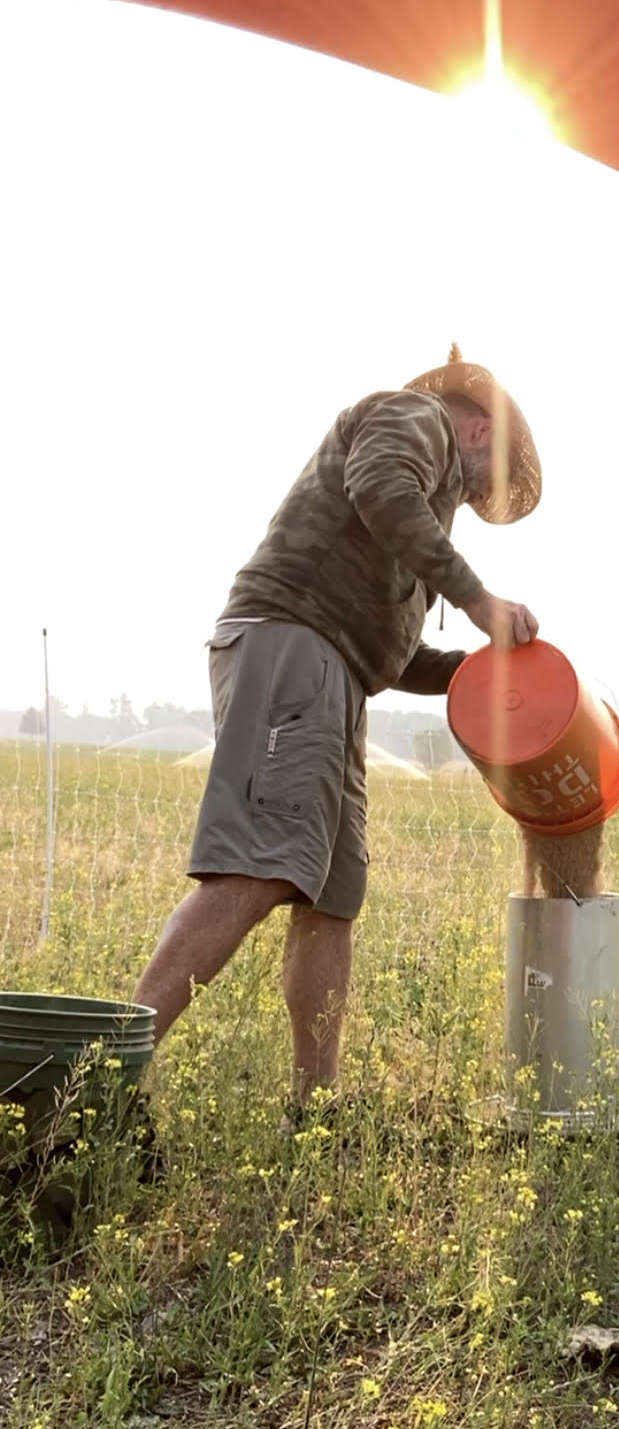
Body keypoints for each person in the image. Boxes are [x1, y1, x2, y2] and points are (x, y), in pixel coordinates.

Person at [131, 344, 540, 1108]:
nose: (473, 505)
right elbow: (382, 487)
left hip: (337, 676)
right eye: (484, 490)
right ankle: (99, 1077)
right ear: (482, 431)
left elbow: (392, 651)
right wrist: (481, 600)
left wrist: (474, 671)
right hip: (292, 646)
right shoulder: (410, 417)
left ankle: (315, 1110)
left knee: (331, 898)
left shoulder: (414, 524)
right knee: (259, 864)